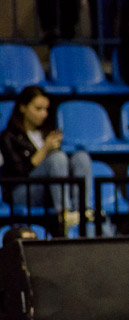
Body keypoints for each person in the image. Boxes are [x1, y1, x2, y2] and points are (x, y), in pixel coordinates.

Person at [0, 86, 93, 234]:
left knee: (81, 156)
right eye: (38, 109)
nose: (43, 114)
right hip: (22, 191)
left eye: (46, 109)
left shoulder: (46, 133)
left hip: (49, 189)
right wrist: (45, 149)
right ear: (23, 108)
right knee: (57, 158)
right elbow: (18, 172)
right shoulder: (9, 137)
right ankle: (64, 214)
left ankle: (83, 210)